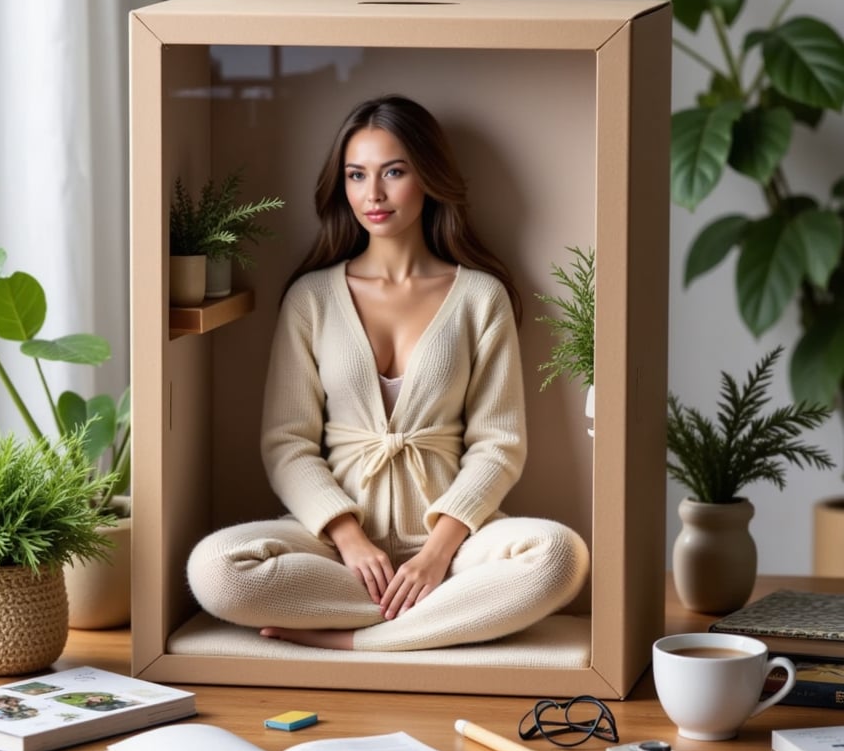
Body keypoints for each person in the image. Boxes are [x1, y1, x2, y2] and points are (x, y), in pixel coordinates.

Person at [187, 95, 589, 652]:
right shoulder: (312, 298)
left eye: (393, 172)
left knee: (560, 555)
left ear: (428, 177)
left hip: (456, 550)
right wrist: (349, 540)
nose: (371, 195)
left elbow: (499, 444)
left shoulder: (480, 296)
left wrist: (435, 554)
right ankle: (435, 620)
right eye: (356, 175)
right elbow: (288, 443)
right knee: (214, 569)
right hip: (333, 551)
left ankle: (356, 640)